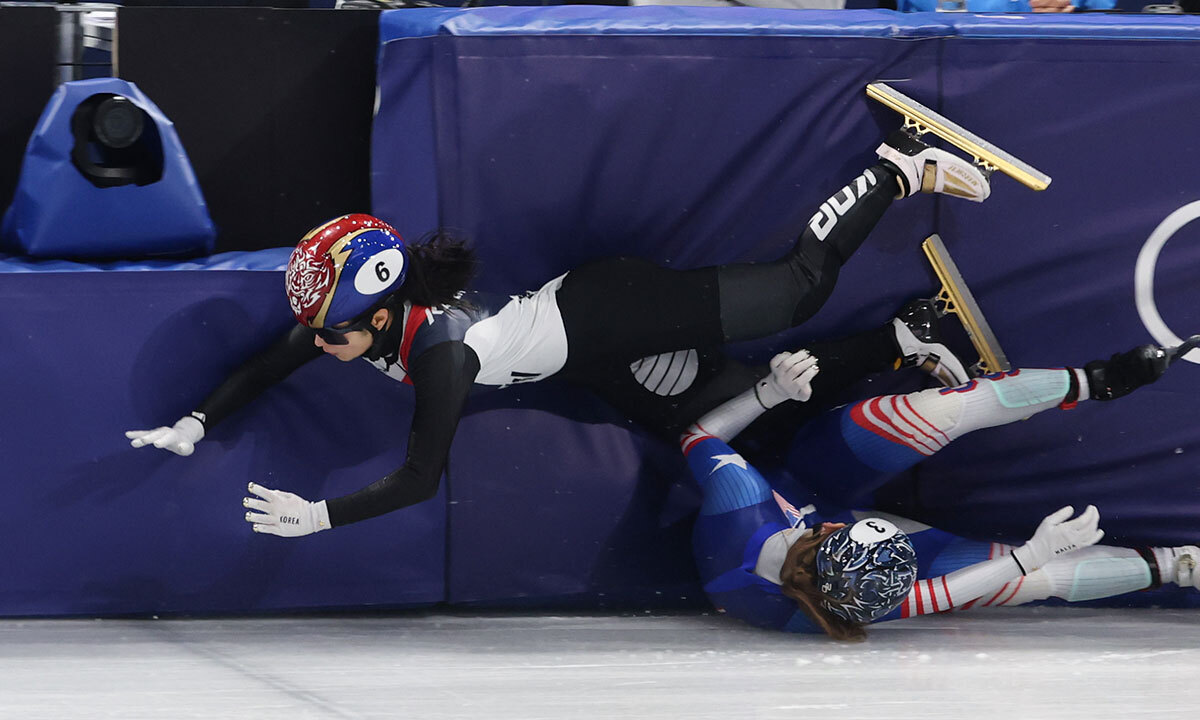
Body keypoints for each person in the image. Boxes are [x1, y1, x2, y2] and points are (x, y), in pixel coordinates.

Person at [126, 131, 989, 537]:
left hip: (608, 312)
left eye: (331, 338)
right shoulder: (354, 325)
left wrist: (318, 516)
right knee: (731, 415)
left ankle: (898, 166)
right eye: (319, 335)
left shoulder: (441, 354)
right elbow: (273, 360)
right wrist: (195, 423)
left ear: (380, 316)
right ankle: (906, 337)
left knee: (795, 295)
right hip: (589, 358)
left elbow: (421, 479)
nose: (318, 348)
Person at [683, 337, 1200, 640]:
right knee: (1031, 581)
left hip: (807, 472)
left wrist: (769, 393)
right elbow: (949, 591)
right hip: (811, 506)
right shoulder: (855, 598)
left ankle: (1096, 380)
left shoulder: (741, 503)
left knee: (939, 412)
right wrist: (1031, 558)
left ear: (828, 531)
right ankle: (1182, 564)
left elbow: (699, 436)